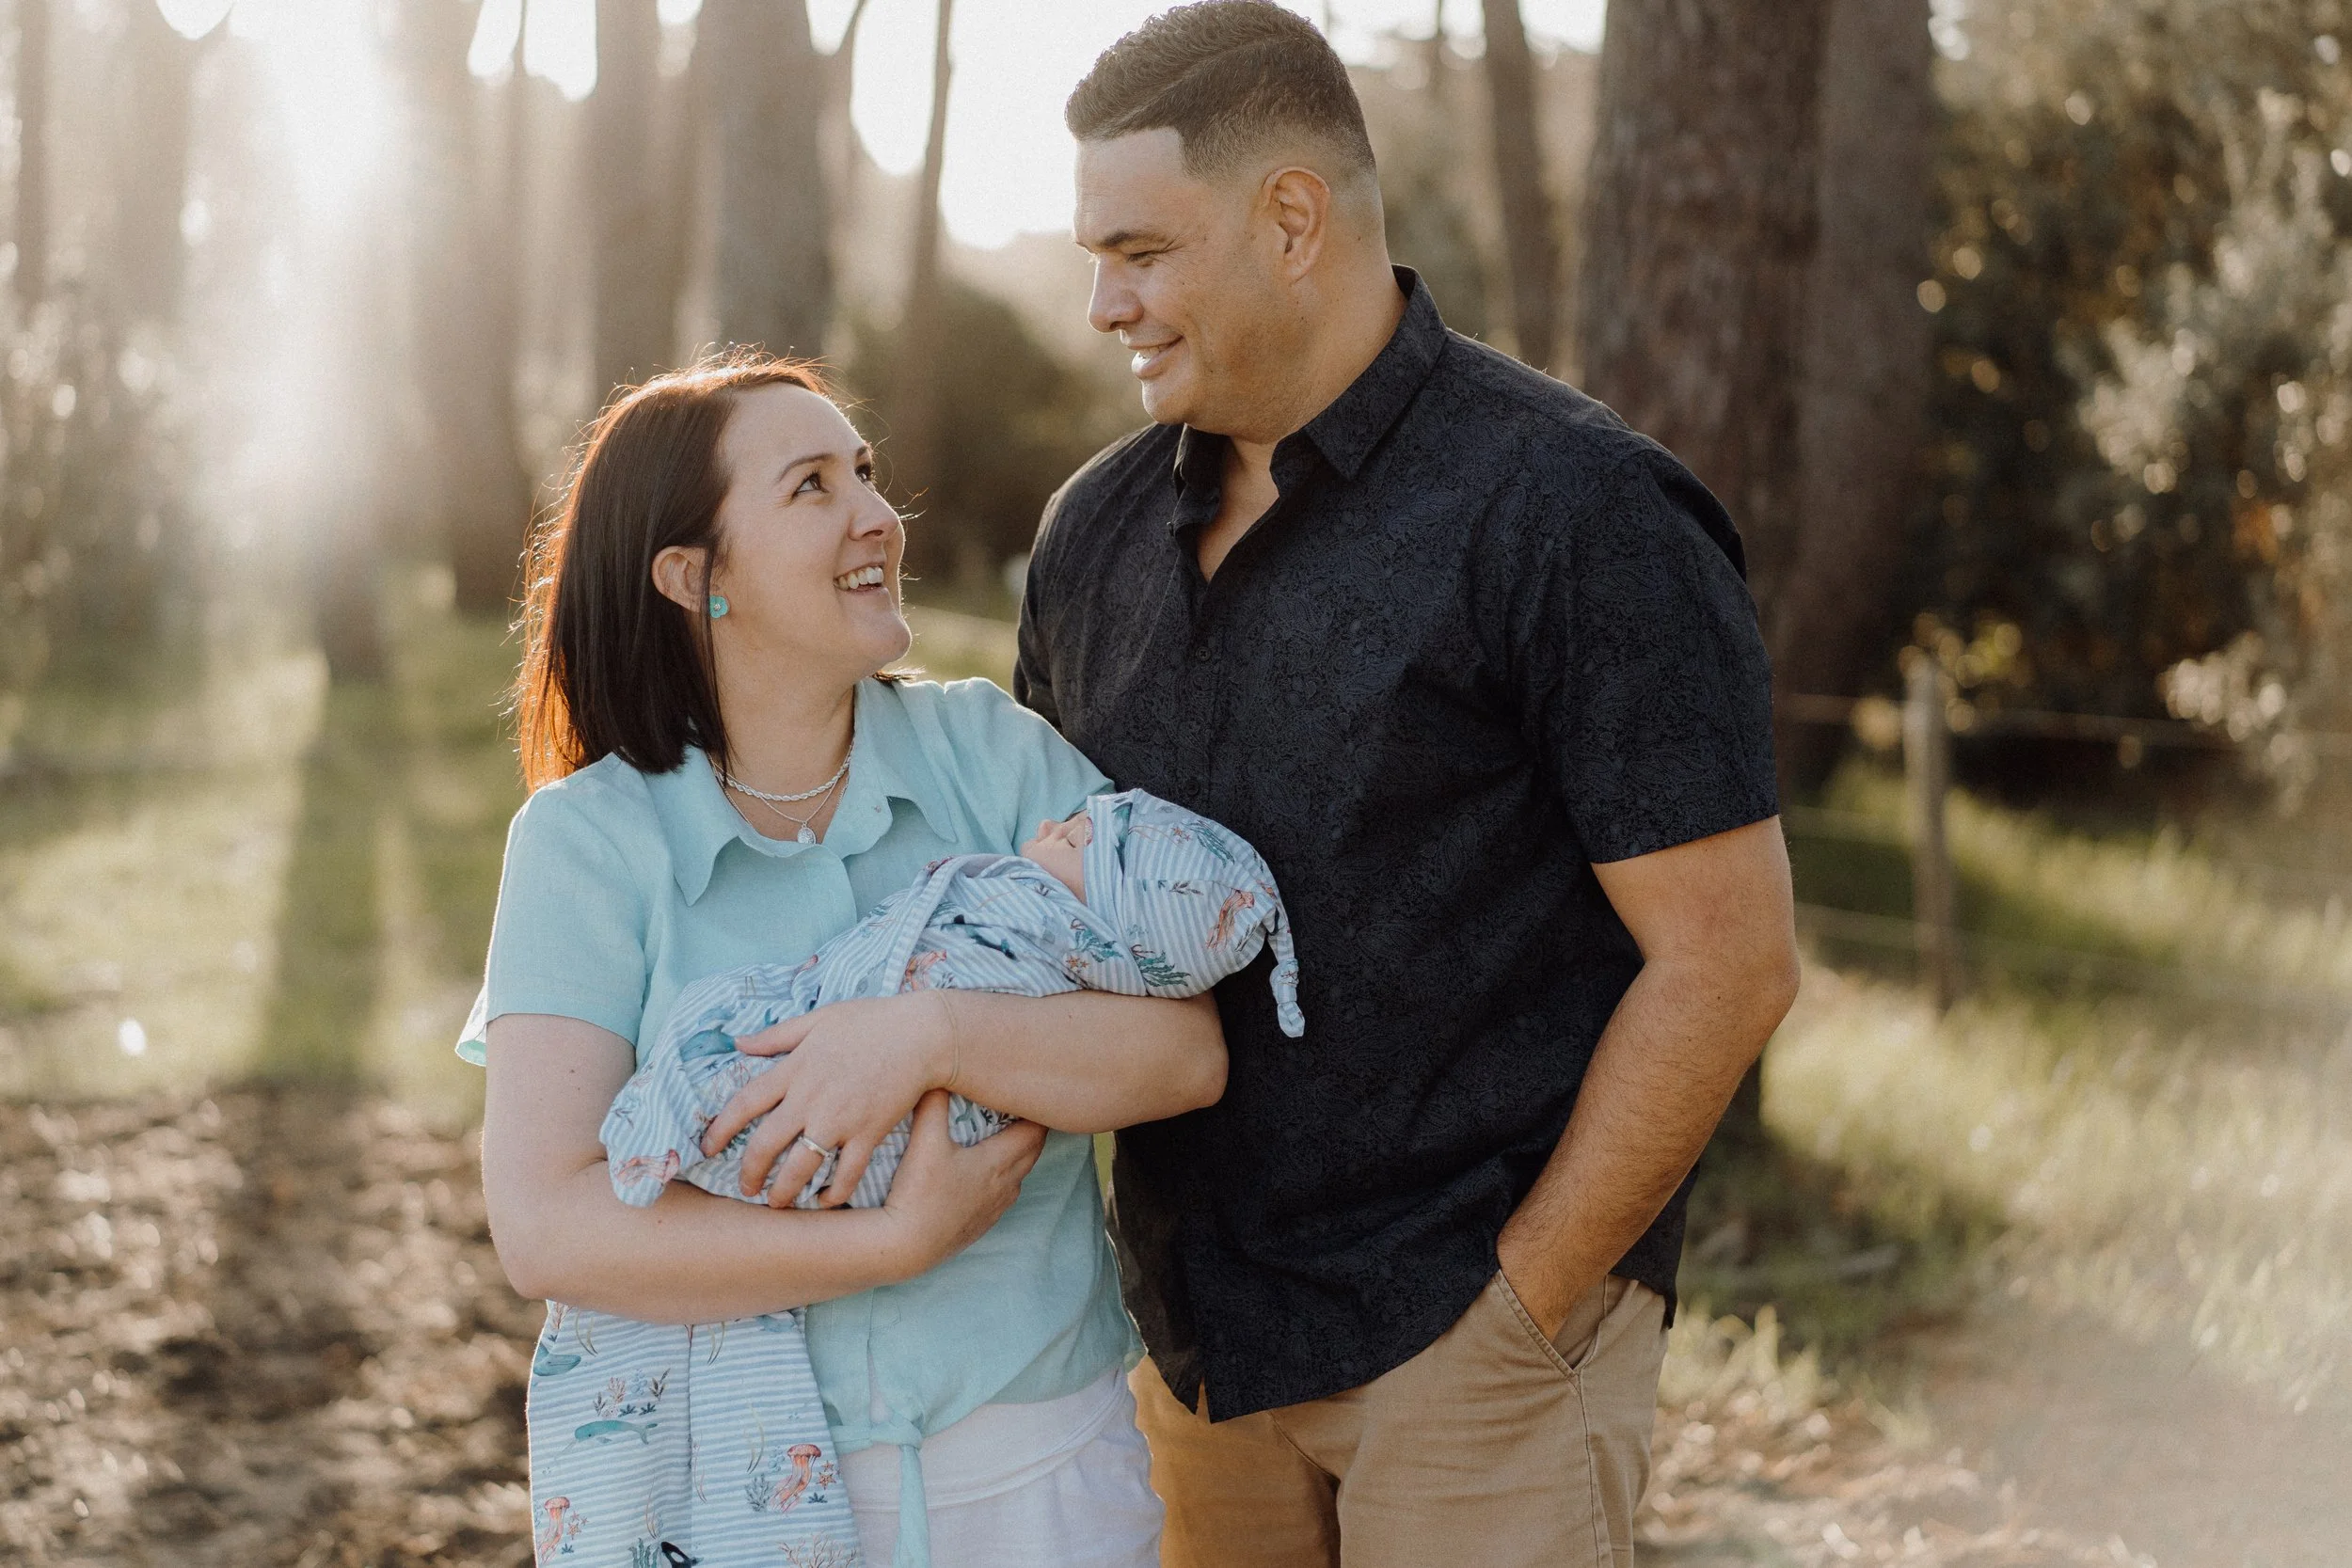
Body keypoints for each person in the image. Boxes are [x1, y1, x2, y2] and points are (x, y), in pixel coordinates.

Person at [1014, 6, 1803, 1565]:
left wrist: (1523, 1304)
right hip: (1193, 1350)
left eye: (1141, 251)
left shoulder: (1577, 512)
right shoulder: (1089, 535)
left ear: (1291, 218)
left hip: (1472, 1350)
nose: (1105, 303)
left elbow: (1729, 960)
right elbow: (1051, 905)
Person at [468, 355, 1222, 1568]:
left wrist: (928, 1035)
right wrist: (884, 1244)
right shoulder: (584, 844)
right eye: (812, 486)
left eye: (864, 472)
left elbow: (1184, 1051)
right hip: (721, 1496)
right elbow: (546, 1223)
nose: (878, 514)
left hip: (1044, 1477)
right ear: (692, 577)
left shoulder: (993, 755)